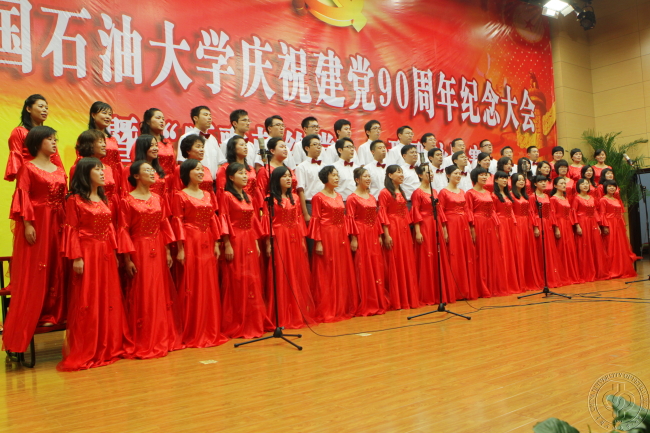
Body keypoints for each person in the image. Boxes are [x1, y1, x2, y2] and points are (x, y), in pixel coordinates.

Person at [58, 157, 133, 371]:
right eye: (97, 170)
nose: (102, 173)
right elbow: (71, 229)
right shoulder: (74, 200)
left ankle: (108, 344)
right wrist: (76, 257)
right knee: (88, 298)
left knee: (107, 296)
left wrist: (115, 252)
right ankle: (88, 346)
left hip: (105, 252)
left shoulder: (102, 198)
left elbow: (109, 228)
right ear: (85, 173)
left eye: (102, 169)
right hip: (87, 252)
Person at [2, 126, 67, 354]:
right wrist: (28, 224)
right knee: (37, 267)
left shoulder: (59, 170)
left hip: (58, 222)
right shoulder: (28, 168)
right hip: (38, 221)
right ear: (38, 143)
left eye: (55, 138)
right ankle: (35, 315)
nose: (54, 142)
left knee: (57, 266)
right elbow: (23, 196)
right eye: (49, 139)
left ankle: (54, 313)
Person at [118, 160, 181, 359]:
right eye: (147, 170)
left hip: (158, 246)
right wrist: (127, 259)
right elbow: (123, 230)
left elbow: (164, 224)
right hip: (139, 248)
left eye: (152, 169)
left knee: (159, 289)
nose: (152, 172)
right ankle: (144, 337)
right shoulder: (127, 200)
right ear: (136, 176)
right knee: (142, 290)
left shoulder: (158, 198)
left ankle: (161, 334)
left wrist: (168, 251)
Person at [171, 159, 228, 348]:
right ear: (187, 173)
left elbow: (213, 218)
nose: (201, 172)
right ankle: (192, 329)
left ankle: (209, 327)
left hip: (207, 239)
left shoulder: (207, 194)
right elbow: (178, 222)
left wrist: (217, 242)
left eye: (201, 169)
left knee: (208, 281)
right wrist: (180, 248)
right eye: (196, 169)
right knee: (192, 282)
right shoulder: (180, 195)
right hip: (190, 240)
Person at [220, 163, 272, 338]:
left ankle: (253, 320)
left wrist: (256, 242)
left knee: (252, 279)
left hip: (249, 239)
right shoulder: (226, 196)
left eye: (245, 173)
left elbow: (252, 221)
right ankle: (237, 321)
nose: (244, 176)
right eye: (240, 173)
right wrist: (227, 243)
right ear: (231, 177)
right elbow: (224, 219)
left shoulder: (248, 196)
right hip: (235, 239)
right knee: (237, 278)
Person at [265, 166, 316, 328]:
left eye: (289, 176)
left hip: (294, 236)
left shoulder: (294, 197)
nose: (288, 179)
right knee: (281, 271)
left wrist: (302, 238)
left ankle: (297, 311)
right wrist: (268, 242)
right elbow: (267, 221)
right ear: (276, 179)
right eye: (284, 176)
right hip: (280, 237)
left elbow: (299, 219)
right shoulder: (270, 199)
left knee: (296, 271)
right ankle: (282, 312)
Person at [309, 166, 358, 321]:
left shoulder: (339, 195)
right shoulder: (318, 197)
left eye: (337, 175)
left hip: (340, 234)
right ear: (326, 178)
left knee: (341, 269)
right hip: (326, 235)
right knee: (327, 269)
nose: (337, 178)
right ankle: (328, 306)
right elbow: (316, 219)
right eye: (333, 175)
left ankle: (342, 305)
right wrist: (318, 242)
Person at [411, 164, 457, 304]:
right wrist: (418, 231)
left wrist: (444, 228)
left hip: (436, 224)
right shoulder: (417, 193)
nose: (430, 174)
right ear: (420, 175)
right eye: (427, 172)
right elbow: (415, 212)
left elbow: (440, 211)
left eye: (431, 172)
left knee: (438, 257)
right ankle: (428, 294)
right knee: (427, 256)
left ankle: (440, 292)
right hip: (425, 225)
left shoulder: (435, 191)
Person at [346, 167, 389, 316]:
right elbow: (350, 219)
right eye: (365, 176)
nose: (368, 178)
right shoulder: (352, 198)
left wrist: (379, 234)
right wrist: (354, 238)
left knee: (375, 264)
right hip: (361, 232)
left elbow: (376, 217)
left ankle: (376, 299)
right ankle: (365, 300)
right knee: (363, 265)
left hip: (372, 233)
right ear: (357, 180)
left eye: (369, 176)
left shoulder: (371, 197)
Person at [380, 165, 420, 309]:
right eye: (398, 172)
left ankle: (407, 296)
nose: (401, 175)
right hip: (393, 227)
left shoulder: (401, 191)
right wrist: (386, 234)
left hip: (403, 227)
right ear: (390, 175)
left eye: (402, 172)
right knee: (395, 259)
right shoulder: (384, 193)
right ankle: (397, 298)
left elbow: (405, 211)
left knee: (406, 259)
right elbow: (382, 214)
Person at [438, 165, 479, 300]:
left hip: (463, 224)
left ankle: (466, 289)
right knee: (454, 254)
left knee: (465, 254)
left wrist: (471, 227)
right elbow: (441, 211)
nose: (458, 175)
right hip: (451, 224)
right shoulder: (443, 192)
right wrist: (444, 229)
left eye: (459, 173)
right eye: (455, 173)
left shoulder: (462, 191)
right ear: (448, 175)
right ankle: (455, 290)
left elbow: (467, 210)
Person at [465, 167, 505, 297]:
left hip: (490, 224)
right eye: (481, 175)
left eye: (485, 175)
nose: (484, 177)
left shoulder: (488, 192)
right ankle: (480, 286)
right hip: (478, 223)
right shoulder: (470, 193)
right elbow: (469, 211)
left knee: (491, 252)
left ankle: (491, 284)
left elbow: (492, 210)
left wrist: (496, 224)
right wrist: (472, 228)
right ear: (475, 177)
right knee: (480, 253)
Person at [5, 94, 63, 181]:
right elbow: (16, 157)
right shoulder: (19, 132)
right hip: (29, 178)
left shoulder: (47, 134)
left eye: (46, 108)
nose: (45, 110)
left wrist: (60, 176)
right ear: (28, 109)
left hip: (49, 178)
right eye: (41, 106)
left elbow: (54, 157)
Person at [73, 130, 120, 218]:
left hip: (111, 208)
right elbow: (76, 193)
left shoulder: (108, 168)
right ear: (89, 145)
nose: (104, 145)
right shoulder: (78, 167)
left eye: (104, 142)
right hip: (90, 211)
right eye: (100, 142)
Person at [599, 180, 639, 278]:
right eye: (609, 186)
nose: (612, 188)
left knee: (620, 246)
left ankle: (621, 268)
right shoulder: (603, 200)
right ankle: (611, 269)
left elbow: (621, 214)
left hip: (618, 224)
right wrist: (605, 226)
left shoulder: (616, 200)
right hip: (610, 224)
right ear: (605, 188)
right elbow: (602, 214)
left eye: (613, 186)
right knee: (611, 246)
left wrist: (623, 224)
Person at [510, 172, 543, 291]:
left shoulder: (525, 195)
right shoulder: (511, 195)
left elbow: (531, 212)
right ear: (514, 182)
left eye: (523, 180)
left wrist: (535, 226)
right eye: (519, 180)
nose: (521, 182)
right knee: (519, 250)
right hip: (517, 224)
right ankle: (520, 280)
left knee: (527, 250)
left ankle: (529, 279)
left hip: (527, 224)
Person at [529, 175, 562, 288]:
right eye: (541, 182)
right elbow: (531, 212)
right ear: (535, 184)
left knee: (549, 250)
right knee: (541, 250)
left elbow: (551, 212)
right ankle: (541, 277)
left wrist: (555, 226)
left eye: (545, 182)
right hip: (539, 223)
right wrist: (535, 227)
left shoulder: (547, 196)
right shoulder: (532, 197)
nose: (544, 183)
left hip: (548, 224)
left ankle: (551, 277)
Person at [491, 171, 522, 294]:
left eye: (506, 178)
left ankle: (513, 280)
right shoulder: (494, 195)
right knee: (504, 251)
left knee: (512, 250)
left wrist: (514, 222)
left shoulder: (508, 194)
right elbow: (493, 211)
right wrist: (497, 225)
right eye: (501, 178)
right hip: (501, 223)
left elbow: (512, 210)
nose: (504, 180)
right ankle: (504, 283)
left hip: (510, 224)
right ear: (496, 180)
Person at [572, 179, 608, 282]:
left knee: (595, 245)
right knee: (585, 246)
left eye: (587, 184)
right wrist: (577, 226)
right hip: (583, 223)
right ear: (578, 186)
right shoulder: (576, 198)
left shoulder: (592, 198)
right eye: (582, 184)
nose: (585, 185)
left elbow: (595, 211)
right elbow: (573, 212)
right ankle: (586, 272)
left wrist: (598, 224)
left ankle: (598, 271)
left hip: (593, 223)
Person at [176, 105, 226, 178]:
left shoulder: (212, 139)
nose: (209, 118)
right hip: (195, 181)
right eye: (205, 115)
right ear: (195, 118)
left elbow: (220, 162)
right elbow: (182, 162)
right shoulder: (185, 137)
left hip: (213, 182)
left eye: (210, 115)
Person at [549, 177, 582, 285]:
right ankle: (562, 274)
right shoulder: (553, 199)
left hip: (567, 224)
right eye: (561, 183)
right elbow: (552, 214)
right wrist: (556, 228)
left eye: (564, 183)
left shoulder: (565, 198)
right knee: (561, 248)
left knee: (569, 248)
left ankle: (570, 274)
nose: (564, 185)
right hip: (560, 224)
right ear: (555, 186)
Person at [216, 135, 261, 211]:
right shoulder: (225, 168)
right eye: (241, 145)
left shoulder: (251, 169)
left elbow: (255, 190)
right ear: (233, 148)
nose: (245, 147)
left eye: (245, 145)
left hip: (251, 204)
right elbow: (221, 191)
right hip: (234, 206)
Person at [123, 135, 167, 199]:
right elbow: (126, 193)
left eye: (156, 145)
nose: (155, 149)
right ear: (142, 148)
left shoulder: (158, 168)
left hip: (159, 204)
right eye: (151, 145)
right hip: (138, 203)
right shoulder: (130, 168)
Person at [134, 108, 175, 176]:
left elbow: (173, 165)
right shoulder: (142, 142)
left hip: (170, 179)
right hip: (151, 178)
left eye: (163, 119)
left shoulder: (167, 142)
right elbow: (137, 165)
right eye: (158, 118)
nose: (162, 121)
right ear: (148, 121)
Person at [88, 101, 123, 181]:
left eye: (110, 114)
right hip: (95, 177)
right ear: (93, 115)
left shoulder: (112, 139)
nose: (108, 117)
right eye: (104, 113)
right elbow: (82, 161)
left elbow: (118, 162)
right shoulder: (88, 137)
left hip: (114, 177)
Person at [295, 134, 324, 222]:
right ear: (307, 148)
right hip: (310, 204)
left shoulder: (325, 166)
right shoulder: (301, 167)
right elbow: (301, 190)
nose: (318, 147)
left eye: (319, 145)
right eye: (315, 144)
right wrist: (305, 214)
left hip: (325, 203)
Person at [333, 137, 358, 201]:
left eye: (352, 147)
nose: (352, 149)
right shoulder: (334, 168)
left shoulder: (357, 168)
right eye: (348, 147)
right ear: (340, 150)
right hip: (341, 201)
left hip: (358, 201)